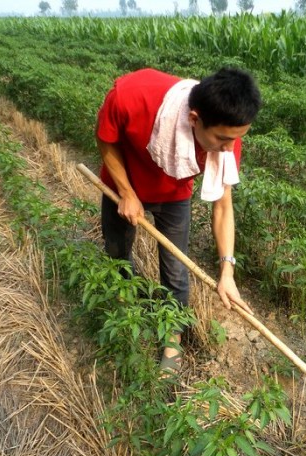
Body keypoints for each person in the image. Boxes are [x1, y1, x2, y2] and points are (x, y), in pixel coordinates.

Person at [95, 67, 261, 374]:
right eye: (222, 140)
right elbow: (106, 139)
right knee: (117, 253)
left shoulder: (228, 137)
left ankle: (172, 340)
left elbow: (224, 206)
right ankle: (126, 308)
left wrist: (227, 271)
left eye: (235, 140)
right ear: (194, 119)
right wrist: (127, 192)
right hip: (124, 185)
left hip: (174, 192)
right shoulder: (131, 96)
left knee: (175, 270)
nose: (229, 149)